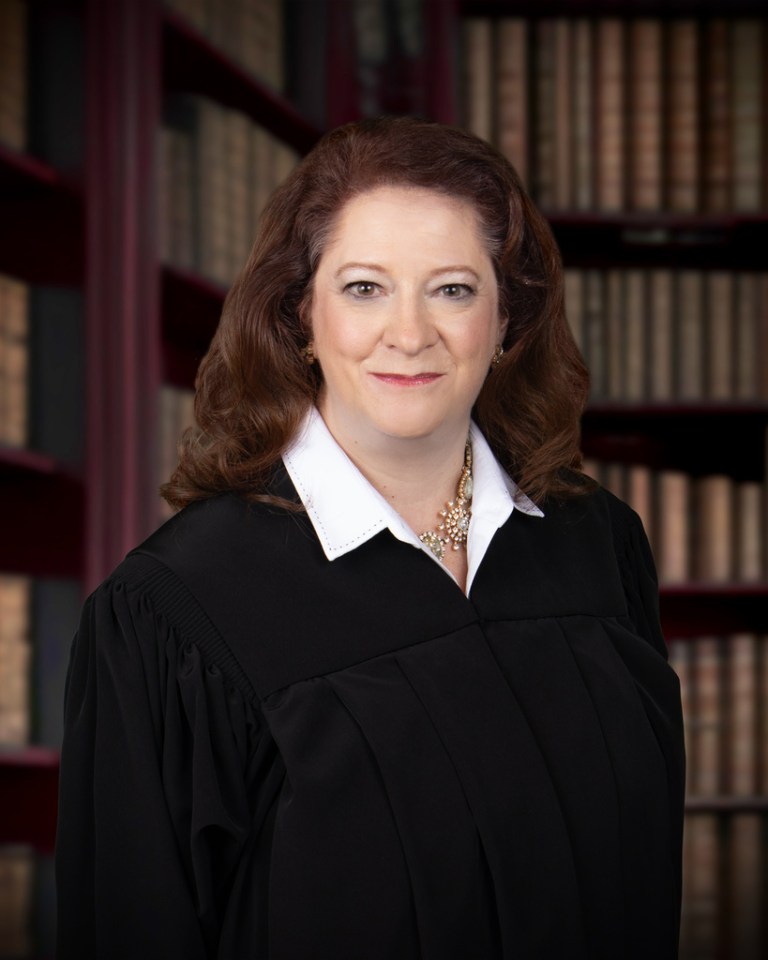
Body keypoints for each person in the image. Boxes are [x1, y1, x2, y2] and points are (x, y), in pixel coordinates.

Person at [55, 116, 685, 959]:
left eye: (453, 289)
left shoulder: (596, 543)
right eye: (364, 288)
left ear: (507, 322)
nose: (410, 333)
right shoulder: (178, 614)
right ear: (300, 317)